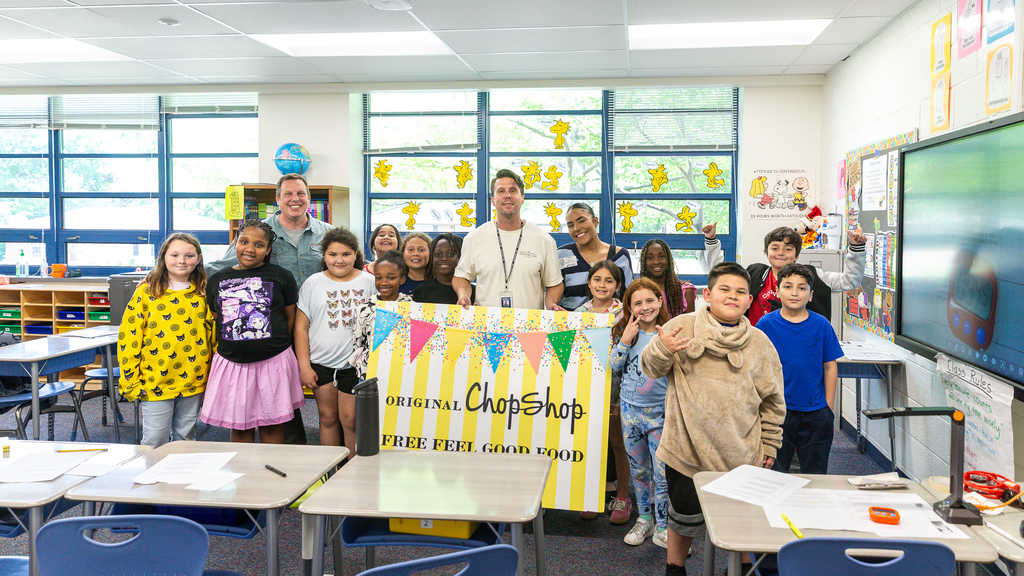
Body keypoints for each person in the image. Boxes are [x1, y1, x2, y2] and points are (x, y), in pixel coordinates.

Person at [640, 262, 785, 575]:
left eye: (741, 292)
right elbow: (649, 368)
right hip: (686, 450)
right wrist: (663, 349)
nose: (732, 296)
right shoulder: (683, 325)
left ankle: (741, 569)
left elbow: (773, 401)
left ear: (749, 300)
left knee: (742, 520)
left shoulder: (760, 343)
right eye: (725, 289)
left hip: (741, 452)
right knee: (683, 517)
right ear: (708, 294)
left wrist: (770, 444)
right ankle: (675, 568)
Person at [207, 173, 333, 445]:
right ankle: (289, 456)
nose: (294, 199)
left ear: (309, 198)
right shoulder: (260, 232)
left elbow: (347, 264)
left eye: (300, 193)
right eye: (287, 194)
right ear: (278, 199)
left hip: (318, 325)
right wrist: (169, 274)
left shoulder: (327, 233)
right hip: (274, 329)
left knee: (318, 400)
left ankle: (325, 457)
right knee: (274, 404)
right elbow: (224, 267)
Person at [202, 219, 305, 444]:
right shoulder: (218, 279)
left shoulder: (281, 276)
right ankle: (244, 476)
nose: (250, 249)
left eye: (259, 245)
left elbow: (289, 318)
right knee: (240, 426)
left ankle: (272, 476)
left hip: (273, 362)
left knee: (271, 425)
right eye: (244, 241)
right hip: (233, 363)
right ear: (236, 242)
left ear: (268, 250)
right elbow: (218, 317)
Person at [118, 233, 215, 448]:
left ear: (198, 259)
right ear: (164, 257)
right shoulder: (147, 291)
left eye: (189, 255)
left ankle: (180, 480)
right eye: (175, 255)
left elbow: (213, 336)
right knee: (154, 439)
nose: (182, 260)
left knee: (186, 438)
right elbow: (129, 336)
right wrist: (130, 378)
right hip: (154, 379)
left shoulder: (204, 291)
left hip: (194, 377)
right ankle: (151, 481)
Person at [756, 264, 843, 475]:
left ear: (811, 295)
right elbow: (756, 367)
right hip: (778, 411)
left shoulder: (822, 325)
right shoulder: (765, 324)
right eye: (788, 286)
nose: (795, 292)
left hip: (816, 412)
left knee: (815, 472)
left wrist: (828, 408)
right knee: (774, 470)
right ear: (777, 291)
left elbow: (830, 366)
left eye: (802, 288)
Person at [294, 228, 375, 454]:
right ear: (324, 255)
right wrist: (304, 366)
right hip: (321, 365)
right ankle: (330, 473)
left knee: (351, 421)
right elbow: (301, 327)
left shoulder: (370, 281)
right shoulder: (313, 283)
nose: (339, 260)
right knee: (328, 418)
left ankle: (353, 474)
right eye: (332, 254)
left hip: (355, 366)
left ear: (356, 254)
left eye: (346, 254)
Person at [700, 222, 866, 325]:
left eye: (788, 249)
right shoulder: (754, 274)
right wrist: (712, 240)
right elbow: (720, 274)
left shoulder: (811, 276)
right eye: (775, 248)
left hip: (796, 345)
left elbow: (849, 281)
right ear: (766, 252)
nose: (781, 253)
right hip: (753, 344)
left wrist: (856, 250)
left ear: (797, 255)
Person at [610, 277, 672, 548]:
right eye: (638, 303)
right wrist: (624, 340)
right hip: (630, 412)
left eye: (650, 300)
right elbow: (613, 366)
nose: (645, 307)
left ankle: (663, 526)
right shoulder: (624, 331)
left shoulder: (670, 332)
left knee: (662, 473)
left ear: (660, 302)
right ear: (630, 307)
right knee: (639, 472)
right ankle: (644, 519)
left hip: (661, 414)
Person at [453, 168, 563, 310]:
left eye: (513, 191)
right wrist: (463, 295)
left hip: (531, 326)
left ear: (522, 198)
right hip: (486, 325)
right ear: (492, 200)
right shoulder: (474, 238)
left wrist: (551, 304)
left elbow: (554, 283)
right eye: (501, 191)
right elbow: (461, 277)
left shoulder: (544, 240)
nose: (507, 196)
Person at [577, 261, 632, 525]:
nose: (602, 285)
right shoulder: (578, 312)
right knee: (591, 444)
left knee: (618, 444)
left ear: (618, 286)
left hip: (617, 389)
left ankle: (623, 496)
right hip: (587, 388)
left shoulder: (626, 314)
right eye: (597, 279)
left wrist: (622, 397)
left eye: (609, 280)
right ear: (589, 283)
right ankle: (592, 495)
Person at [557, 203, 633, 310]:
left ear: (595, 221)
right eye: (570, 225)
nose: (576, 228)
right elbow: (554, 297)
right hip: (571, 324)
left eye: (581, 221)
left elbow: (630, 296)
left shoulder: (620, 256)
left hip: (612, 324)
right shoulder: (561, 255)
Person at [354, 250, 413, 380]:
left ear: (402, 279)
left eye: (391, 278)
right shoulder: (365, 309)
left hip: (401, 372)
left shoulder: (411, 307)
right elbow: (358, 342)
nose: (384, 282)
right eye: (379, 278)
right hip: (369, 373)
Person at [638, 239, 695, 318]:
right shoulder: (638, 291)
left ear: (668, 260)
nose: (656, 261)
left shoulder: (685, 291)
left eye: (661, 256)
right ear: (644, 262)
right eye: (650, 258)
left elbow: (690, 325)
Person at [413, 233, 474, 305]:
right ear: (432, 258)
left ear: (461, 257)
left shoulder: (472, 291)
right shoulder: (422, 290)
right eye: (438, 254)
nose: (444, 258)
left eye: (450, 254)